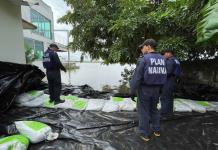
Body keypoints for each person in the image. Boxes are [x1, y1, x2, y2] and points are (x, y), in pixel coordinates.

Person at [130, 39, 167, 142]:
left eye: (143, 47)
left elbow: (137, 77)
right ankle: (157, 130)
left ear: (148, 46)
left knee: (143, 111)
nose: (142, 49)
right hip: (157, 89)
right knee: (154, 109)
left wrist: (132, 91)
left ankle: (145, 134)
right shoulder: (163, 59)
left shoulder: (144, 59)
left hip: (145, 89)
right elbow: (164, 75)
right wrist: (161, 90)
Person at [160, 48, 181, 117]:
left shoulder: (170, 60)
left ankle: (164, 113)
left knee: (165, 97)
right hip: (174, 80)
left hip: (168, 80)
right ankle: (169, 113)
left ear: (169, 53)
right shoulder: (176, 60)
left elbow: (168, 72)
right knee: (169, 97)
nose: (164, 55)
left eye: (165, 53)